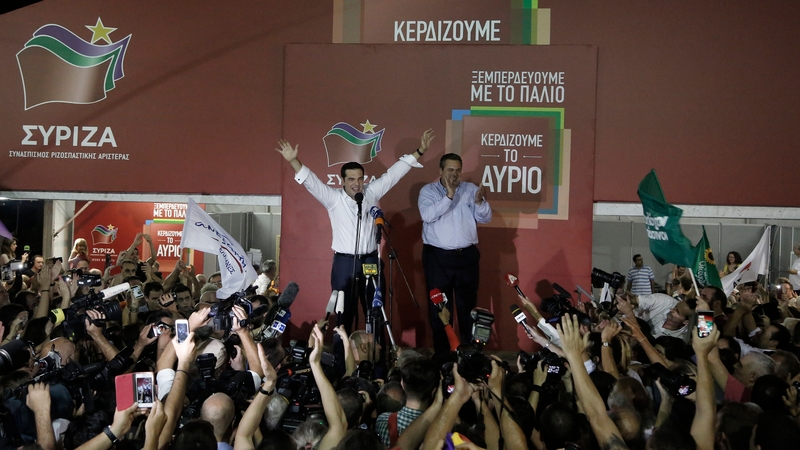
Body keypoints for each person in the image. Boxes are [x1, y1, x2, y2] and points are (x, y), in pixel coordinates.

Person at [276, 129, 433, 333]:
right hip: (344, 262)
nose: (356, 184)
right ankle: (343, 359)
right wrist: (294, 161)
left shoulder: (371, 192)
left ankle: (374, 356)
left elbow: (394, 174)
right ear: (342, 181)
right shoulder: (333, 198)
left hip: (370, 260)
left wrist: (419, 151)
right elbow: (311, 181)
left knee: (374, 311)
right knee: (343, 313)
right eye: (351, 179)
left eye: (360, 179)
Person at [418, 153, 491, 354]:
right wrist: (448, 196)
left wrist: (479, 203)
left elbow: (485, 218)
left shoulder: (470, 190)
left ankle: (468, 355)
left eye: (458, 170)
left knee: (468, 308)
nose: (454, 174)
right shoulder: (429, 191)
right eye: (450, 170)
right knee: (440, 308)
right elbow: (427, 215)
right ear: (440, 171)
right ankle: (443, 357)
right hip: (438, 258)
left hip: (466, 257)